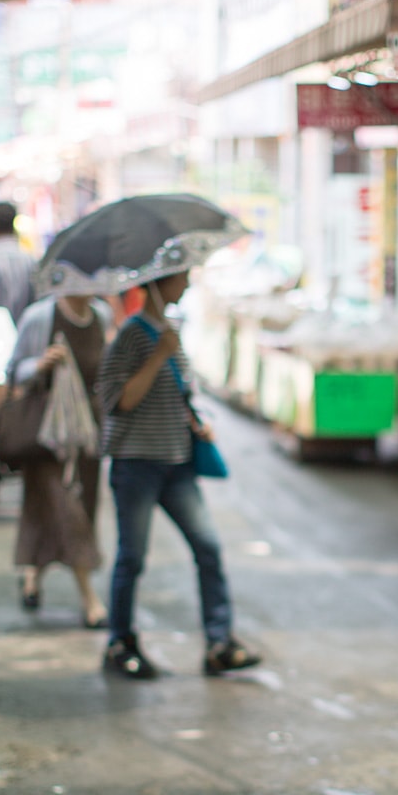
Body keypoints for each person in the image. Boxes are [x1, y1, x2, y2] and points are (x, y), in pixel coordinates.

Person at [97, 268, 262, 680]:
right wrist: (157, 357)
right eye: (181, 278)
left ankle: (219, 642)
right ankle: (120, 642)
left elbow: (184, 391)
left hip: (178, 461)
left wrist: (198, 420)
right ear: (159, 283)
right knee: (131, 558)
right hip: (137, 463)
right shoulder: (133, 334)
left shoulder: (170, 329)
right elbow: (117, 400)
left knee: (208, 548)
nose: (187, 285)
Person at [7, 291, 112, 625]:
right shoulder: (40, 316)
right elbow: (13, 369)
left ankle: (32, 576)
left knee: (56, 509)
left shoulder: (101, 316)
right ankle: (89, 599)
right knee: (67, 511)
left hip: (86, 435)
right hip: (46, 435)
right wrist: (41, 364)